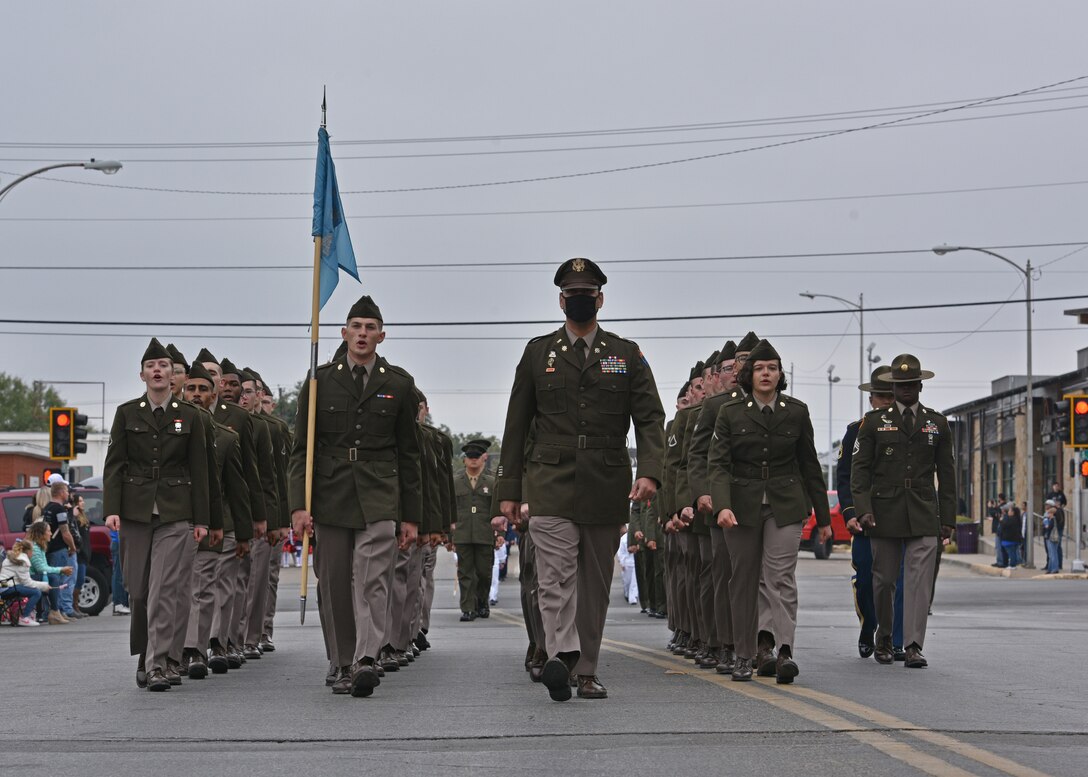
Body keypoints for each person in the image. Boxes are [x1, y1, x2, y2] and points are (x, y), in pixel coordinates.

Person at [492, 257, 666, 702]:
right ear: (561, 300)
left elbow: (649, 418)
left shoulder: (625, 354)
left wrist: (650, 472)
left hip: (605, 482)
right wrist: (508, 492)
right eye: (573, 295)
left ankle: (586, 670)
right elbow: (516, 425)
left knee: (593, 585)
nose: (581, 301)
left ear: (600, 299)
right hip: (549, 481)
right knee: (553, 576)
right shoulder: (537, 352)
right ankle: (563, 655)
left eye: (588, 295)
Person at [289, 294, 422, 699]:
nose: (362, 334)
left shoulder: (398, 384)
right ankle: (342, 661)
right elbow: (301, 451)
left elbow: (410, 454)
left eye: (370, 328)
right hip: (330, 495)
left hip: (380, 492)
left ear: (381, 336)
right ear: (343, 333)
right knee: (332, 585)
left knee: (371, 579)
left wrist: (412, 516)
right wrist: (298, 506)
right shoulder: (319, 382)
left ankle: (366, 658)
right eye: (356, 327)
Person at [709, 339, 831, 684]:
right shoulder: (730, 413)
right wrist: (722, 506)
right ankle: (743, 654)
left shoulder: (796, 410)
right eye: (760, 368)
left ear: (780, 375)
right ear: (749, 375)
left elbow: (810, 466)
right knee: (743, 582)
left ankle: (784, 651)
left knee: (781, 578)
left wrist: (823, 519)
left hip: (786, 504)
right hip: (742, 507)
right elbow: (717, 464)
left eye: (773, 368)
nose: (766, 374)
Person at [104, 337, 211, 692]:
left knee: (164, 588)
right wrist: (112, 511)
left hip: (175, 512)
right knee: (138, 591)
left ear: (171, 375)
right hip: (135, 512)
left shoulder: (190, 416)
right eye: (151, 366)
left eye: (163, 366)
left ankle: (160, 663)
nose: (157, 371)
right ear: (142, 375)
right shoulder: (126, 413)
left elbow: (201, 471)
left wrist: (201, 520)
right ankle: (148, 653)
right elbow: (114, 465)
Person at [853, 353, 956, 669]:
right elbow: (860, 470)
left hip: (924, 510)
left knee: (919, 582)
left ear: (920, 387)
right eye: (901, 384)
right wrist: (863, 509)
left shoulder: (936, 423)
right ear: (893, 387)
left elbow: (948, 474)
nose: (907, 389)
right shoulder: (873, 423)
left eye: (912, 384)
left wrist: (948, 520)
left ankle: (912, 646)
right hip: (884, 511)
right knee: (883, 581)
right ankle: (884, 636)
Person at [836, 366, 906, 661]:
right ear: (871, 399)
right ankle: (870, 627)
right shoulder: (857, 430)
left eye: (891, 396)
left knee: (900, 581)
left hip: (900, 516)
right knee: (866, 578)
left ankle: (897, 640)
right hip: (866, 517)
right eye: (881, 396)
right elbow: (845, 475)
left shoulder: (910, 429)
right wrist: (851, 512)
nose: (887, 402)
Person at [452, 439, 498, 621]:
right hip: (462, 534)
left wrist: (500, 534)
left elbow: (497, 510)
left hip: (484, 533)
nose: (473, 460)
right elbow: (450, 510)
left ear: (483, 458)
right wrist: (448, 535)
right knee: (465, 573)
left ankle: (482, 603)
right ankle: (468, 608)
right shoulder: (456, 482)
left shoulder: (492, 482)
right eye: (469, 457)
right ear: (464, 460)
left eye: (476, 456)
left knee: (484, 574)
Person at [42, 478, 79, 620]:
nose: (68, 493)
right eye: (67, 491)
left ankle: (57, 611)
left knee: (53, 579)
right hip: (59, 549)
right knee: (60, 580)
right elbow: (65, 532)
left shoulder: (47, 508)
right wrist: (72, 546)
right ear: (62, 492)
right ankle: (57, 612)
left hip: (49, 548)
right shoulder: (59, 509)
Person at [24, 521, 72, 623]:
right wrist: (61, 569)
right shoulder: (34, 548)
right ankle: (54, 611)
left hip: (31, 576)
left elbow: (43, 568)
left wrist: (60, 570)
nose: (51, 533)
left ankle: (56, 611)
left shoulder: (38, 546)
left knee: (53, 576)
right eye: (49, 531)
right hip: (25, 578)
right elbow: (41, 569)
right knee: (53, 577)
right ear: (41, 534)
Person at [1, 539, 52, 626]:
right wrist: (45, 586)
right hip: (8, 587)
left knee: (29, 589)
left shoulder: (11, 557)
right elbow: (27, 583)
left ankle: (24, 615)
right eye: (33, 551)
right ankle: (24, 617)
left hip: (3, 585)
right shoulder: (23, 561)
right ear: (28, 551)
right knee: (36, 592)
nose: (33, 553)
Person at [999, 504, 1023, 568]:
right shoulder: (1017, 519)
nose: (1008, 512)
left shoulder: (1011, 519)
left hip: (1010, 539)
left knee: (1011, 553)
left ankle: (1013, 565)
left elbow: (1004, 525)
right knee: (1013, 552)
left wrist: (1001, 521)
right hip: (1014, 539)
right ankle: (1013, 564)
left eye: (1009, 511)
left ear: (1013, 512)